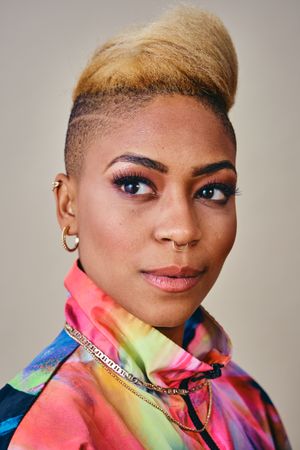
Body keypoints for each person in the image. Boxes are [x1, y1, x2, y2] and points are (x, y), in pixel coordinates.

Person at [0, 5, 291, 450]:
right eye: (135, 184)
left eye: (212, 191)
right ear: (68, 205)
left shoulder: (245, 401)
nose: (181, 230)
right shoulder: (43, 431)